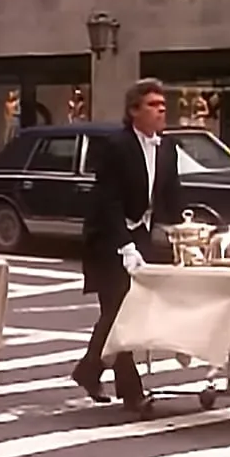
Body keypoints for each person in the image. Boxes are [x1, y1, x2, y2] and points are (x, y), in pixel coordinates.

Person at [73, 78, 184, 410]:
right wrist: (124, 245)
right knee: (119, 312)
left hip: (141, 236)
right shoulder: (116, 146)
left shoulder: (167, 149)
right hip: (107, 240)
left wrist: (186, 228)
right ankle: (131, 393)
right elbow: (106, 201)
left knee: (122, 314)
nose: (161, 109)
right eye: (152, 104)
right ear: (134, 111)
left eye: (163, 105)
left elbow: (171, 196)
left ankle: (89, 371)